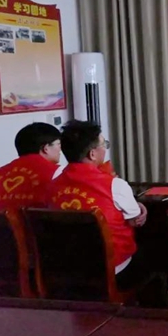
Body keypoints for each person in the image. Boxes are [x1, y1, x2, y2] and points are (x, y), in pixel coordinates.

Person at [48, 120, 152, 293]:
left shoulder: (52, 186)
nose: (105, 149)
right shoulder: (114, 185)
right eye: (104, 145)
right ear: (92, 154)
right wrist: (139, 207)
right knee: (157, 253)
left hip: (67, 269)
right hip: (112, 270)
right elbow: (135, 221)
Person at [0, 123, 63, 211]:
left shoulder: (1, 172)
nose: (60, 149)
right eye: (59, 144)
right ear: (46, 148)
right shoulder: (60, 173)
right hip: (39, 220)